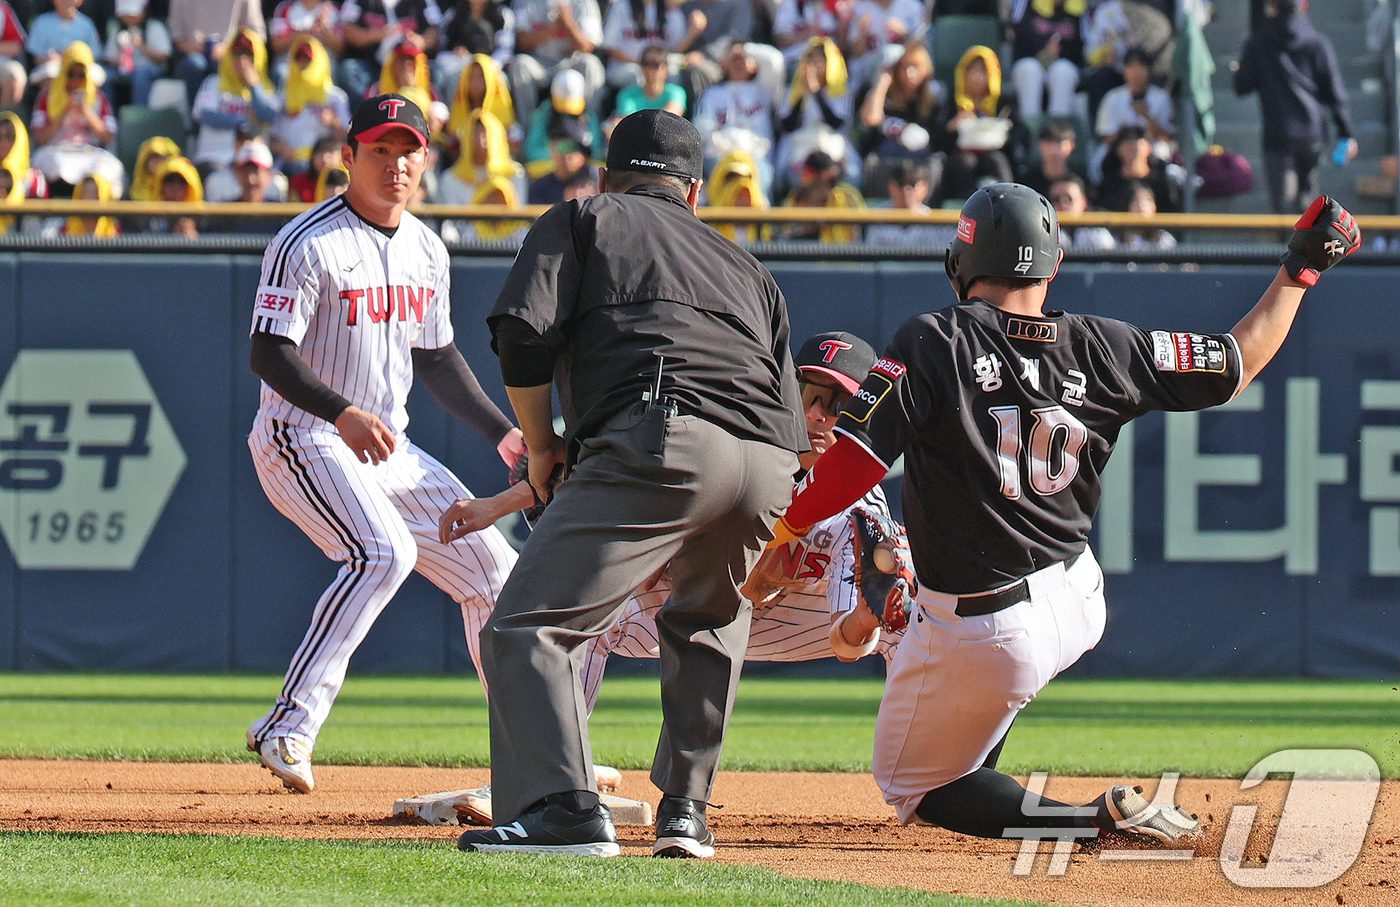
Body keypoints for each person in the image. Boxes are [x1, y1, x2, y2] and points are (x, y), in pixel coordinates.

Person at [770, 182, 1361, 845]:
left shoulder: (933, 339)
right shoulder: (1106, 346)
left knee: (912, 784)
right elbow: (1237, 359)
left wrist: (785, 530)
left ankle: (1085, 823)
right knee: (981, 688)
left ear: (959, 264)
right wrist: (1300, 269)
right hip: (1078, 596)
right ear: (1052, 266)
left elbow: (851, 463)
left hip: (986, 628)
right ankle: (986, 736)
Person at [456, 108, 805, 858]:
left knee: (528, 626)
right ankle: (687, 812)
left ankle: (563, 811)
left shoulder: (585, 217)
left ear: (611, 177)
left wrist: (543, 445)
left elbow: (522, 331)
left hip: (666, 437)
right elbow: (790, 416)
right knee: (708, 621)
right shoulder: (749, 266)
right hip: (769, 461)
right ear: (695, 192)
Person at [244, 94, 525, 795]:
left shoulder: (429, 247)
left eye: (409, 150)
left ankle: (533, 754)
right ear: (348, 155)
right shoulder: (306, 242)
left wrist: (502, 432)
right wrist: (339, 412)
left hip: (384, 447)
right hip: (300, 434)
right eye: (380, 149)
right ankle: (287, 724)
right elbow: (267, 352)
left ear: (425, 159)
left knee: (497, 571)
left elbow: (436, 358)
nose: (396, 164)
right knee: (382, 552)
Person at [1233, 0, 1356, 215]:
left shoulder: (1258, 41)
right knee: (1308, 204)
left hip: (1278, 133)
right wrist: (1346, 133)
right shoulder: (1318, 42)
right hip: (1312, 133)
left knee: (1282, 209)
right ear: (1303, 5)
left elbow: (1242, 86)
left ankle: (1287, 246)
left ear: (1272, 5)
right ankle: (1309, 247)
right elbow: (1334, 92)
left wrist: (1238, 70)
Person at [29, 42, 124, 197]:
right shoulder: (47, 98)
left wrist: (86, 111)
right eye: (71, 74)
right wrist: (64, 111)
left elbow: (108, 137)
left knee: (110, 167)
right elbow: (40, 139)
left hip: (89, 151)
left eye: (81, 75)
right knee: (57, 165)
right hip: (56, 150)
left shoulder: (100, 99)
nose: (75, 80)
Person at [855, 41, 942, 198]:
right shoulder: (881, 95)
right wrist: (883, 81)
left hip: (919, 160)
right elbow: (871, 118)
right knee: (873, 163)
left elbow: (936, 141)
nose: (909, 73)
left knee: (936, 164)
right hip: (887, 159)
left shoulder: (934, 99)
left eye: (915, 67)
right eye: (904, 67)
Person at [935, 45, 1020, 201]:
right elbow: (937, 139)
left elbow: (1018, 134)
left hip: (995, 153)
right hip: (962, 156)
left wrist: (998, 129)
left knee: (996, 161)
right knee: (964, 162)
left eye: (983, 71)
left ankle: (1008, 201)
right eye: (971, 71)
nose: (976, 77)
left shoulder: (1004, 103)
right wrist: (952, 126)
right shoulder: (953, 103)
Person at [191, 29, 278, 172]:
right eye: (237, 55)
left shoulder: (266, 90)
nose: (242, 61)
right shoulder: (214, 82)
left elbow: (268, 116)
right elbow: (206, 115)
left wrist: (254, 87)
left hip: (251, 163)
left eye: (248, 55)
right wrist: (243, 122)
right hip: (213, 158)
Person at [269, 37, 350, 175]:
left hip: (324, 164)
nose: (303, 64)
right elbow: (271, 137)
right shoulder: (283, 96)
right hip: (290, 162)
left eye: (308, 60)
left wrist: (333, 122)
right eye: (299, 59)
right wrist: (281, 148)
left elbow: (348, 139)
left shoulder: (335, 97)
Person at [1008, 0, 1083, 120]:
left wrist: (1060, 49)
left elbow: (1081, 48)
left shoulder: (1078, 7)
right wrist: (1044, 48)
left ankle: (1057, 133)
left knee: (1063, 71)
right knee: (1030, 69)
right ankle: (1030, 130)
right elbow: (1018, 37)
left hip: (1063, 64)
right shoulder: (1026, 4)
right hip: (1029, 62)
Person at [863, 158, 952, 247]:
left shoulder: (933, 222)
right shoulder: (877, 219)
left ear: (924, 187)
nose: (906, 190)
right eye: (901, 184)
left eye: (912, 184)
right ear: (891, 186)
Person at [102, 0, 172, 108]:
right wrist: (119, 58)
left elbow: (164, 57)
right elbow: (109, 57)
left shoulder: (155, 27)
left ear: (143, 11)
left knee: (141, 75)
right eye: (125, 14)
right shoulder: (117, 29)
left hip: (150, 69)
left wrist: (142, 46)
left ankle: (139, 111)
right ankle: (107, 113)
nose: (129, 17)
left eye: (132, 14)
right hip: (123, 70)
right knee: (105, 75)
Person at [1048, 172, 1114, 250]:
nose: (1063, 204)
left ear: (1083, 201)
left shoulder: (1099, 236)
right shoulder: (1044, 236)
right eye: (1056, 199)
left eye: (1069, 199)